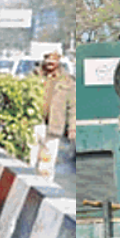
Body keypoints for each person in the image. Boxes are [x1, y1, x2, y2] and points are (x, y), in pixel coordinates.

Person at [37, 51, 75, 183]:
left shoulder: (67, 81)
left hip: (54, 125)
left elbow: (72, 105)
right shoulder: (35, 77)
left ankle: (44, 185)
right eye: (47, 60)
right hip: (35, 123)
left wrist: (72, 127)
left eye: (53, 60)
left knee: (48, 161)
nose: (50, 63)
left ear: (58, 62)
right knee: (31, 159)